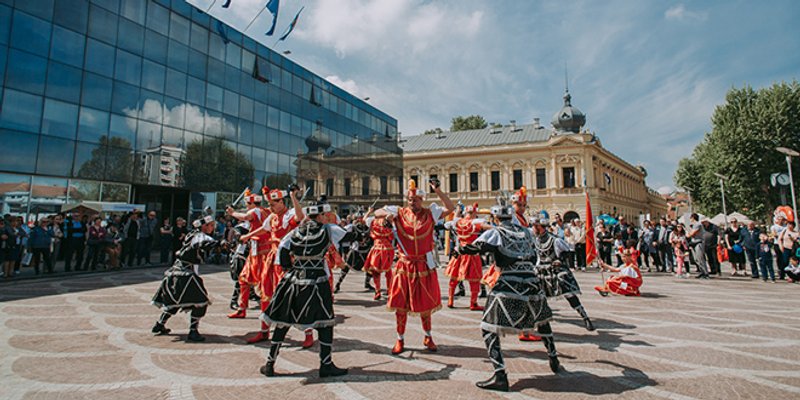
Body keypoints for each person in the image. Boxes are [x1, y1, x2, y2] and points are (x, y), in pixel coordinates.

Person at [456, 197, 560, 392]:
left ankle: (500, 375)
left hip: (509, 284)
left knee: (488, 326)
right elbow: (535, 254)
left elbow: (476, 247)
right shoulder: (527, 232)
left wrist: (458, 250)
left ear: (496, 218)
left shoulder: (496, 232)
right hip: (532, 283)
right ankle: (553, 357)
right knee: (542, 320)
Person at [259, 198, 350, 378]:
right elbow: (349, 236)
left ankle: (269, 363)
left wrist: (288, 268)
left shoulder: (295, 231)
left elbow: (283, 250)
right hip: (317, 281)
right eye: (325, 215)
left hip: (294, 279)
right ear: (322, 215)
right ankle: (326, 365)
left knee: (283, 321)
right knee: (325, 322)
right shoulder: (328, 229)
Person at [373, 178, 454, 355]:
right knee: (400, 306)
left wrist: (438, 190)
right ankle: (400, 339)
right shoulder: (399, 212)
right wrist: (387, 215)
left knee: (425, 305)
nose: (412, 202)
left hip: (424, 265)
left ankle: (428, 336)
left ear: (421, 200)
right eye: (410, 199)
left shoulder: (430, 213)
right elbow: (377, 211)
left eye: (415, 200)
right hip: (405, 265)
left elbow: (450, 208)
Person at [237, 186, 304, 345]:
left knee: (292, 295)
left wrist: (294, 197)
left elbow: (300, 217)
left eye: (273, 204)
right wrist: (248, 236)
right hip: (271, 259)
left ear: (281, 202)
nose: (270, 207)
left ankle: (308, 334)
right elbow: (263, 229)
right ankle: (264, 330)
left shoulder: (289, 215)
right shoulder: (272, 217)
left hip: (286, 260)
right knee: (265, 294)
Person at [151, 214, 222, 342]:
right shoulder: (198, 235)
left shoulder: (191, 234)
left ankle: (159, 324)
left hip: (176, 272)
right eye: (211, 226)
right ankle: (193, 332)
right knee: (200, 302)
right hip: (185, 275)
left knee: (174, 302)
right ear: (204, 226)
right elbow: (205, 241)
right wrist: (221, 243)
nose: (213, 228)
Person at [531, 213, 595, 331]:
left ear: (540, 226)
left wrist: (559, 260)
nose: (533, 228)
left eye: (534, 226)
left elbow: (567, 252)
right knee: (534, 295)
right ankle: (537, 321)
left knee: (569, 293)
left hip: (554, 270)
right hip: (541, 271)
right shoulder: (536, 240)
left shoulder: (554, 240)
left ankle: (584, 316)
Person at [226, 190, 270, 320]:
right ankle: (242, 308)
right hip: (256, 250)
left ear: (252, 203)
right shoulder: (266, 211)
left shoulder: (256, 211)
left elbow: (246, 217)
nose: (246, 207)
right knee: (244, 279)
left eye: (247, 204)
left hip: (261, 251)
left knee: (263, 282)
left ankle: (266, 311)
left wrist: (232, 213)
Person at [443, 203, 488, 310]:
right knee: (475, 279)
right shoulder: (475, 223)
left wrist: (458, 211)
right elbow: (486, 227)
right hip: (471, 252)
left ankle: (450, 300)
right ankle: (473, 303)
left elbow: (450, 223)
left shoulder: (458, 221)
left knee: (454, 277)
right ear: (475, 213)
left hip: (458, 252)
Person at [335, 208, 374, 294]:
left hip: (366, 251)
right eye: (359, 218)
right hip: (355, 251)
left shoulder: (368, 228)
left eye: (362, 217)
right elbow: (343, 234)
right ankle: (338, 284)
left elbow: (371, 238)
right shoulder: (352, 227)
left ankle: (367, 283)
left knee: (371, 267)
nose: (361, 219)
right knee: (346, 267)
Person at [363, 206, 396, 300]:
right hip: (388, 249)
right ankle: (390, 290)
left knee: (375, 271)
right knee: (388, 271)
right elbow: (392, 237)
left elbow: (364, 220)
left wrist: (369, 211)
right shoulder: (389, 223)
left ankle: (377, 291)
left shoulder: (373, 221)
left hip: (377, 248)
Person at [687, 214, 710, 279]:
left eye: (690, 218)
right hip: (694, 243)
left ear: (693, 218)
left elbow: (691, 234)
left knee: (700, 258)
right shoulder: (694, 225)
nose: (690, 220)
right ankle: (701, 272)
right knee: (696, 259)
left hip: (699, 243)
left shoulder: (698, 224)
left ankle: (705, 273)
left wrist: (688, 233)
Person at [770, 216, 788, 280]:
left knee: (785, 258)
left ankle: (785, 271)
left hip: (785, 244)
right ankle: (780, 271)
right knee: (779, 258)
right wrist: (781, 235)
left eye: (782, 219)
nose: (781, 221)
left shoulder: (786, 227)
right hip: (777, 244)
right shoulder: (774, 227)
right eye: (779, 219)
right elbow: (774, 234)